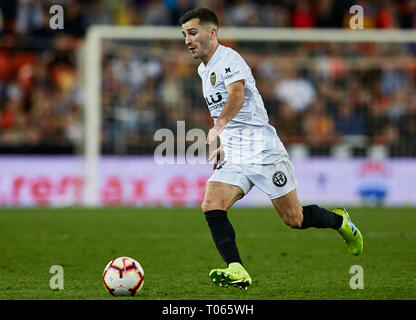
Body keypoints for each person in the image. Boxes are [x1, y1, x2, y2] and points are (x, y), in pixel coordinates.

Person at [180, 8, 363, 290]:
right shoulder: (203, 69)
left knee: (295, 218)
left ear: (212, 32)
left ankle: (341, 222)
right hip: (236, 152)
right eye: (184, 35)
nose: (187, 40)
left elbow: (237, 96)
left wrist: (219, 127)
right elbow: (222, 110)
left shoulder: (229, 59)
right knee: (211, 203)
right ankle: (236, 268)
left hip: (264, 150)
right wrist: (224, 142)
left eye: (193, 33)